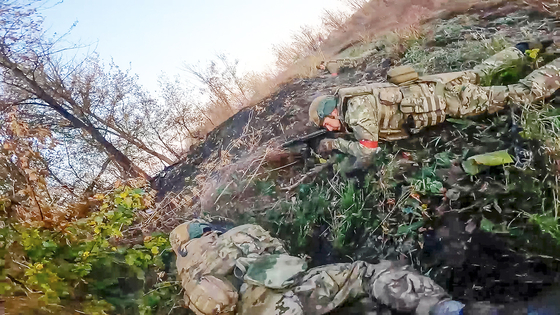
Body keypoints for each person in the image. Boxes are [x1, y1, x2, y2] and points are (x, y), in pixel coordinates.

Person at [308, 41, 560, 161]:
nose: (329, 129)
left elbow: (368, 151)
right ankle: (523, 48)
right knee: (482, 71)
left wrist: (334, 145)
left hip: (451, 99)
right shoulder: (354, 97)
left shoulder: (354, 112)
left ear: (331, 113)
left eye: (325, 124)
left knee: (520, 93)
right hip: (437, 83)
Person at [169, 220, 465, 315]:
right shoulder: (239, 232)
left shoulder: (189, 282)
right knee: (364, 275)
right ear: (205, 230)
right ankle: (445, 309)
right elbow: (283, 254)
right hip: (295, 289)